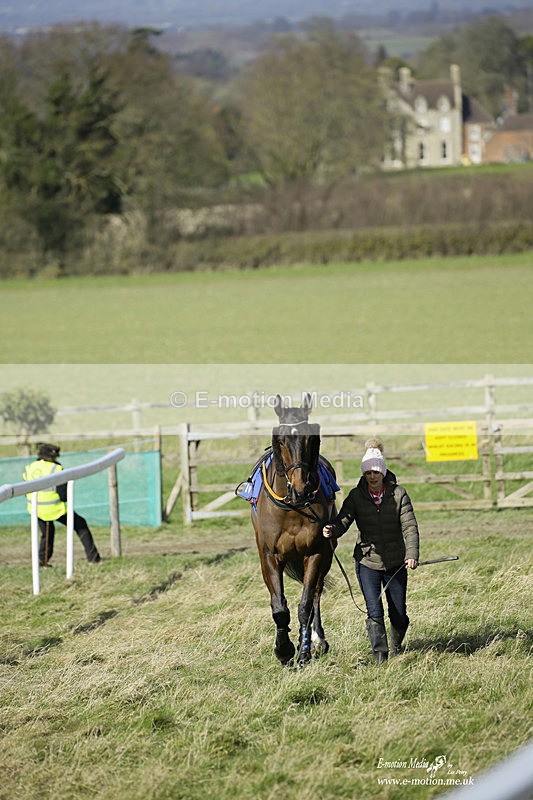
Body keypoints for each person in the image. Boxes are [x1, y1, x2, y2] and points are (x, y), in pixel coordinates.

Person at [323, 438, 419, 663]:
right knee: (374, 612)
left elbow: (410, 526)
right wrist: (332, 530)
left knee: (399, 615)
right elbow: (343, 520)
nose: (372, 477)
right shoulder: (356, 497)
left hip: (396, 562)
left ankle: (396, 644)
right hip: (367, 562)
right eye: (368, 473)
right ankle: (380, 656)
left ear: (383, 472)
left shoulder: (399, 494)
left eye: (376, 472)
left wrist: (412, 554)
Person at [23, 443, 102, 566]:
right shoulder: (56, 469)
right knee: (81, 525)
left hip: (35, 507)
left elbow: (24, 489)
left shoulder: (30, 467)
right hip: (54, 508)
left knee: (47, 534)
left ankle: (42, 560)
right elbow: (63, 495)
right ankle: (94, 559)